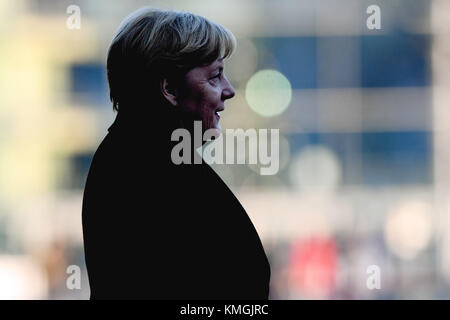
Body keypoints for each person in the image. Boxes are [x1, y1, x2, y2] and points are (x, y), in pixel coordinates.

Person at [82, 7, 271, 300]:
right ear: (169, 89)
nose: (229, 90)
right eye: (215, 76)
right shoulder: (141, 173)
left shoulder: (145, 160)